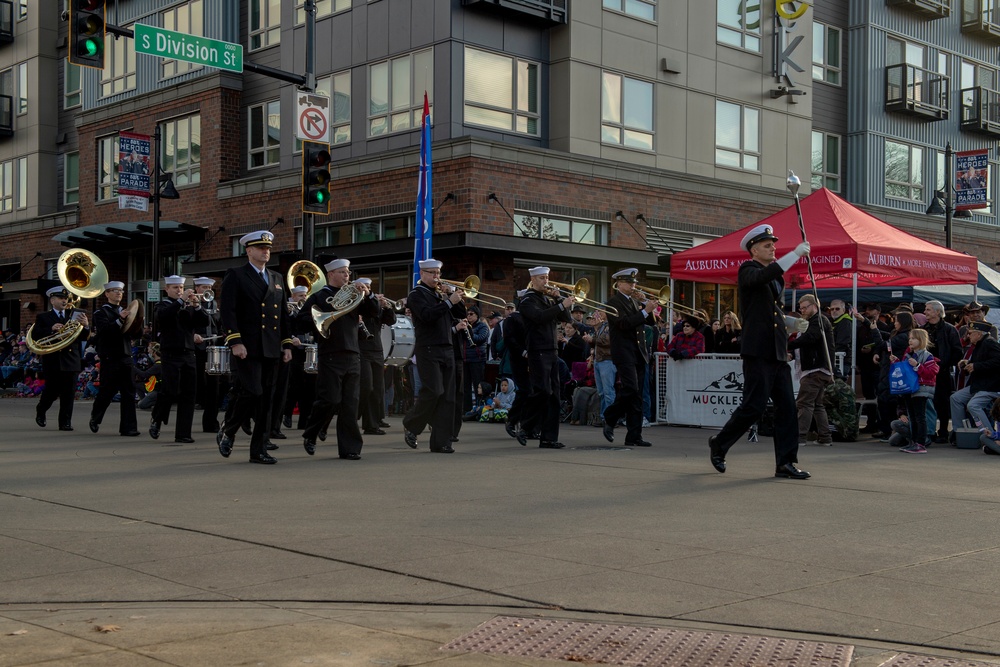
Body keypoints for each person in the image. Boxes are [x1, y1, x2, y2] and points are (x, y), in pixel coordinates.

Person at [708, 224, 812, 479]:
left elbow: (769, 313)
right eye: (767, 245)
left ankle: (785, 463)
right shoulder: (748, 270)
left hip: (776, 351)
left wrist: (790, 324)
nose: (773, 248)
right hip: (758, 352)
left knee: (787, 408)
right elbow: (759, 280)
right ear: (753, 250)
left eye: (773, 244)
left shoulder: (775, 277)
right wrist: (795, 255)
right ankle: (720, 444)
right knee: (753, 406)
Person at [216, 230, 293, 464]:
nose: (266, 251)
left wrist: (287, 343)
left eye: (268, 248)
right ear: (248, 251)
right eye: (261, 248)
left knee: (266, 400)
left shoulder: (277, 278)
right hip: (247, 346)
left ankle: (258, 450)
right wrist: (235, 341)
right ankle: (229, 430)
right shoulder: (236, 275)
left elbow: (283, 314)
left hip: (271, 346)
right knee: (252, 391)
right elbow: (227, 311)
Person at [296, 259, 377, 459]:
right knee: (329, 400)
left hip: (353, 353)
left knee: (350, 404)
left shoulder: (356, 294)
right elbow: (301, 321)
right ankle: (311, 433)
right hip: (330, 354)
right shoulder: (319, 297)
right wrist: (324, 318)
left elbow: (374, 312)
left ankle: (350, 448)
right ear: (331, 274)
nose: (346, 276)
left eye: (348, 272)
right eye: (342, 272)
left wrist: (369, 294)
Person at [402, 258, 470, 453]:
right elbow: (427, 315)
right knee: (434, 391)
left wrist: (454, 298)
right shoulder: (416, 295)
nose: (436, 277)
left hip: (447, 348)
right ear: (422, 274)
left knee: (448, 397)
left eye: (438, 273)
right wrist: (449, 302)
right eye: (432, 273)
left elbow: (460, 313)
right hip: (428, 348)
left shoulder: (440, 295)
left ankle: (441, 442)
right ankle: (411, 423)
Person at [518, 266, 575, 449]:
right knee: (542, 391)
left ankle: (549, 438)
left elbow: (566, 318)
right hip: (538, 350)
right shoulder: (527, 300)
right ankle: (525, 425)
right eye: (542, 278)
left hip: (552, 350)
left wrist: (559, 299)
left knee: (554, 397)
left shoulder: (548, 299)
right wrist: (559, 304)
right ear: (533, 280)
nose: (546, 281)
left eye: (547, 277)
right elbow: (539, 317)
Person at [601, 268, 656, 447]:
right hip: (624, 352)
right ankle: (610, 417)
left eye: (634, 283)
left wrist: (648, 307)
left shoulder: (633, 301)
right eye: (629, 283)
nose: (633, 286)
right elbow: (624, 324)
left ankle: (634, 435)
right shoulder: (613, 302)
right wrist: (644, 311)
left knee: (637, 396)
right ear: (619, 284)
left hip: (638, 352)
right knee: (630, 389)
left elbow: (649, 323)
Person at [151, 276, 209, 443]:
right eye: (175, 287)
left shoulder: (189, 306)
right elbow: (163, 318)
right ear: (167, 290)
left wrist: (197, 306)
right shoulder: (162, 305)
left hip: (189, 353)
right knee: (169, 390)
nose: (179, 291)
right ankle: (157, 418)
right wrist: (181, 300)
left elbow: (204, 321)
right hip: (170, 353)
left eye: (181, 287)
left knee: (189, 394)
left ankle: (183, 433)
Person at [34, 286, 90, 431]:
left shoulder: (74, 315)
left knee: (69, 393)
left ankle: (65, 422)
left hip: (71, 358)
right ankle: (41, 409)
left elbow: (83, 337)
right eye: (60, 298)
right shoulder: (43, 317)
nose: (64, 301)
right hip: (53, 359)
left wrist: (86, 326)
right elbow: (35, 336)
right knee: (52, 391)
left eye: (65, 298)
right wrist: (51, 329)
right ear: (52, 300)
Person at [88, 281, 139, 436]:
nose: (118, 293)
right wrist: (120, 320)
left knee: (129, 392)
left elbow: (135, 334)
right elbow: (104, 332)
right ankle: (95, 418)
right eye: (114, 290)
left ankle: (128, 427)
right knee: (107, 391)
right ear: (107, 294)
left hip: (125, 355)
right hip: (110, 357)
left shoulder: (125, 311)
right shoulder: (100, 313)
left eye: (120, 291)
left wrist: (137, 322)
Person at [787, 294, 835, 447]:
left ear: (814, 305)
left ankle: (800, 437)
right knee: (817, 404)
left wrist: (788, 345)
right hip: (819, 368)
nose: (802, 311)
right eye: (801, 308)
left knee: (804, 403)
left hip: (815, 368)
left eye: (805, 307)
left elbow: (810, 339)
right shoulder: (814, 321)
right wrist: (793, 352)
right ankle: (825, 437)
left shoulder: (818, 321)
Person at [356, 278, 396, 435]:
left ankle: (371, 424)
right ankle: (354, 415)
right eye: (364, 287)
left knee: (377, 389)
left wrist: (386, 307)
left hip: (377, 349)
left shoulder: (375, 304)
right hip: (361, 348)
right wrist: (370, 298)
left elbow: (390, 320)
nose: (367, 289)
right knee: (366, 386)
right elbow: (367, 310)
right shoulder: (360, 303)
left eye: (369, 287)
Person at [890, 328, 939, 454]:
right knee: (912, 416)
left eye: (913, 338)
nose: (910, 341)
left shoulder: (927, 355)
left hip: (921, 389)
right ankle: (913, 441)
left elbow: (931, 373)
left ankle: (920, 443)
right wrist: (896, 362)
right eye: (910, 338)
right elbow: (904, 371)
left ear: (921, 340)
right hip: (909, 389)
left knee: (919, 416)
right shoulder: (908, 354)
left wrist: (917, 366)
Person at [950, 321, 1000, 443]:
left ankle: (988, 434)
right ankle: (960, 432)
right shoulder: (979, 345)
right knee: (955, 398)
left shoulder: (990, 343)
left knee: (973, 405)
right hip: (979, 384)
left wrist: (976, 366)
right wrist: (967, 364)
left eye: (970, 333)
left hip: (990, 386)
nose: (968, 336)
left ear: (979, 334)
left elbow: (998, 361)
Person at [921, 300, 962, 443]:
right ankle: (930, 431)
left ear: (938, 312)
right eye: (925, 309)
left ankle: (943, 431)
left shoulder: (949, 329)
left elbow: (957, 351)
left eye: (928, 310)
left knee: (942, 402)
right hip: (925, 371)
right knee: (928, 401)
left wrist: (944, 364)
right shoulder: (923, 329)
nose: (925, 312)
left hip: (942, 371)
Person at [191, 276, 223, 433]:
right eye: (203, 288)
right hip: (197, 350)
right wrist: (193, 335)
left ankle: (211, 422)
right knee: (198, 385)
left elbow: (221, 326)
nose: (206, 291)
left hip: (214, 349)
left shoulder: (216, 308)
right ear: (197, 289)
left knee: (215, 388)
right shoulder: (191, 306)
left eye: (208, 288)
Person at [462, 305, 490, 415]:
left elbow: (479, 339)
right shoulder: (465, 326)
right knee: (465, 387)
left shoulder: (482, 326)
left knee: (478, 386)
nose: (468, 316)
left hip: (477, 359)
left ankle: (480, 409)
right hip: (466, 359)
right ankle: (467, 410)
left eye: (471, 314)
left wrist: (468, 329)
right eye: (467, 314)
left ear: (477, 315)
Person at [590, 310, 616, 419]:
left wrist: (592, 339)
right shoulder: (602, 326)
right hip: (599, 360)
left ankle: (610, 417)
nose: (598, 313)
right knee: (601, 392)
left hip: (607, 361)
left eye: (601, 311)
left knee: (608, 391)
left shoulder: (612, 325)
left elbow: (607, 341)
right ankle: (603, 416)